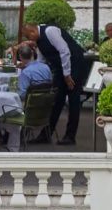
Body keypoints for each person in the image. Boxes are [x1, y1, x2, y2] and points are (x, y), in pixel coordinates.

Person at [23, 17, 83, 145]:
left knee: (73, 100)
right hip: (61, 68)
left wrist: (67, 75)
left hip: (75, 63)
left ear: (33, 31)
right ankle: (46, 135)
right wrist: (27, 66)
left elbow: (64, 51)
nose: (29, 39)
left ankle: (70, 136)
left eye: (28, 36)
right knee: (56, 99)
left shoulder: (50, 31)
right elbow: (41, 61)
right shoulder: (38, 42)